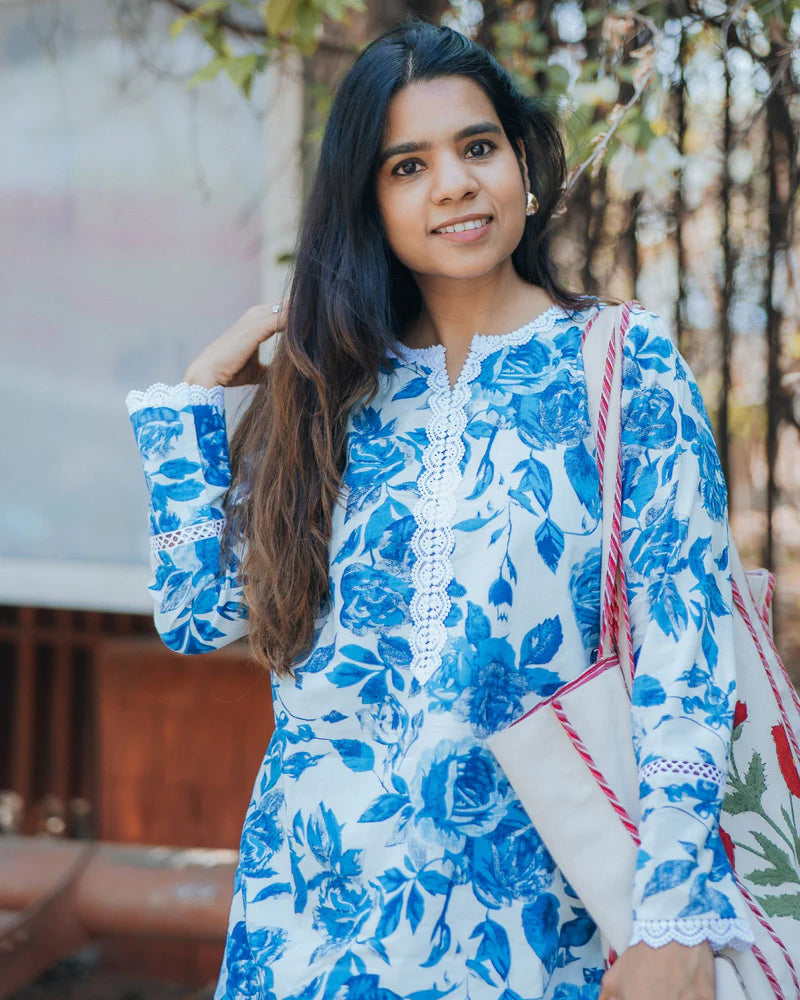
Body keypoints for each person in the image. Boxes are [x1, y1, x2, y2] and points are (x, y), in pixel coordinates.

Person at [125, 21, 754, 1000]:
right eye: (406, 165)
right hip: (308, 925)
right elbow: (200, 613)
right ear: (366, 202)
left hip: (531, 932)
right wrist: (198, 409)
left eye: (475, 147)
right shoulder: (330, 388)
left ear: (517, 161)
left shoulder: (620, 363)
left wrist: (672, 912)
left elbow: (686, 648)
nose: (453, 183)